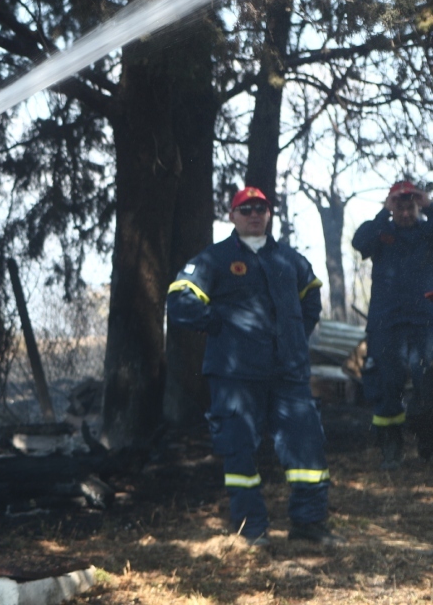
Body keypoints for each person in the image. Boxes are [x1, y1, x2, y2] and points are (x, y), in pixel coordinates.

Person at [167, 186, 342, 547]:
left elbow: (310, 301)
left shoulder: (290, 260)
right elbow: (181, 301)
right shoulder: (214, 259)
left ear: (268, 214)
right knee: (239, 452)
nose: (254, 214)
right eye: (245, 209)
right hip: (236, 378)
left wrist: (292, 336)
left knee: (306, 450)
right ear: (232, 216)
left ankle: (309, 526)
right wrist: (218, 326)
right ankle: (252, 530)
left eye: (260, 208)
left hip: (288, 375)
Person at [350, 180, 433, 468]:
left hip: (424, 322)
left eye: (410, 207)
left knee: (428, 384)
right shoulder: (381, 232)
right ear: (391, 207)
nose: (406, 213)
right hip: (387, 324)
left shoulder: (427, 232)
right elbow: (359, 242)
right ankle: (391, 449)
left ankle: (427, 443)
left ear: (417, 206)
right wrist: (382, 213)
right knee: (388, 386)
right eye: (399, 207)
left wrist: (430, 207)